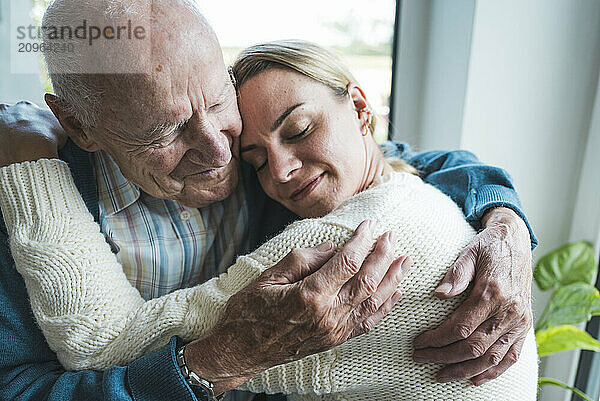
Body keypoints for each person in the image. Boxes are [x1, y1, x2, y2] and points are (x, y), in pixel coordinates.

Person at [0, 1, 536, 400]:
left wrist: (504, 221)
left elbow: (419, 163)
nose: (217, 148)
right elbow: (19, 386)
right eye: (165, 130)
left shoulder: (277, 162)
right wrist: (205, 367)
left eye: (216, 100)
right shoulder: (33, 214)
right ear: (80, 124)